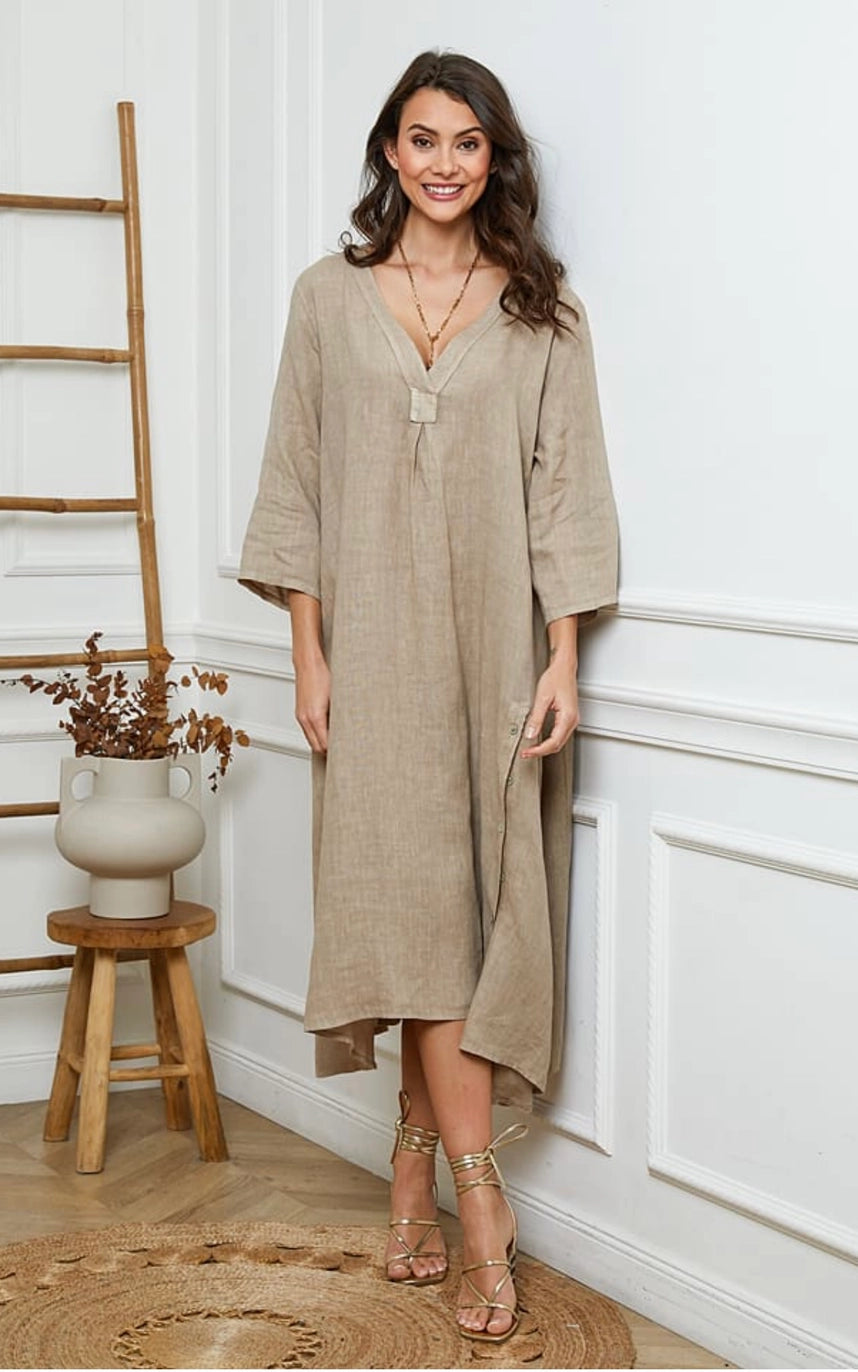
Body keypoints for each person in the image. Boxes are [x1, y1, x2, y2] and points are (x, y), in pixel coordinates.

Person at [239, 49, 619, 1344]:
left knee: (461, 923)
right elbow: (294, 482)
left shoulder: (542, 314)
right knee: (413, 920)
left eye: (467, 141)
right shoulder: (325, 298)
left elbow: (567, 494)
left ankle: (417, 1166)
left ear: (491, 158)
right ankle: (478, 1202)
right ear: (389, 153)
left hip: (495, 659)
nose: (444, 163)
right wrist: (309, 656)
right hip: (371, 658)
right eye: (422, 139)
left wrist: (563, 657)